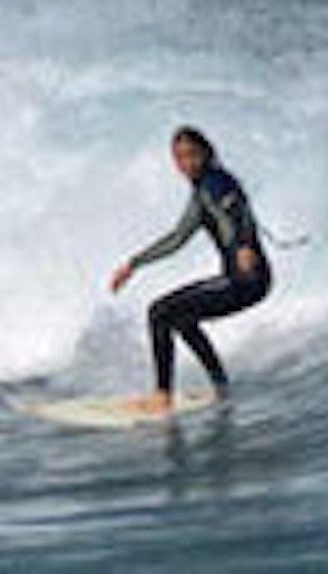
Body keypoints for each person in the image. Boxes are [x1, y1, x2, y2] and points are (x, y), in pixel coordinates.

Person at [109, 126, 271, 415]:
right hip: (244, 279)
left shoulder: (215, 184)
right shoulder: (205, 189)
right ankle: (220, 386)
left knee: (159, 312)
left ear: (205, 153)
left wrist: (245, 244)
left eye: (191, 155)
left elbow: (238, 213)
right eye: (179, 158)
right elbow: (178, 237)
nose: (185, 164)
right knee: (181, 318)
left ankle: (162, 396)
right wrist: (134, 264)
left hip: (246, 278)